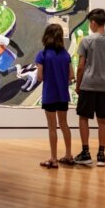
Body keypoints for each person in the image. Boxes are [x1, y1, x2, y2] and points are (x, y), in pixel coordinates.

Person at [74, 9, 105, 167]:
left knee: (83, 118)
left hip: (88, 85)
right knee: (102, 120)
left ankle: (85, 152)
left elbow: (80, 67)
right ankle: (101, 154)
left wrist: (78, 86)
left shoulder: (86, 41)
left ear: (93, 22)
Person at [37, 23, 74, 168]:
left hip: (49, 94)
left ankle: (53, 158)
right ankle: (69, 155)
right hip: (62, 94)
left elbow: (40, 76)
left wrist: (49, 76)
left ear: (47, 36)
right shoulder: (66, 55)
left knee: (52, 126)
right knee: (64, 124)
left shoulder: (43, 54)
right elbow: (71, 75)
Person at [0, 24, 24, 104]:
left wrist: (19, 51)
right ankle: (16, 68)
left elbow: (10, 42)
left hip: (5, 56)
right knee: (3, 73)